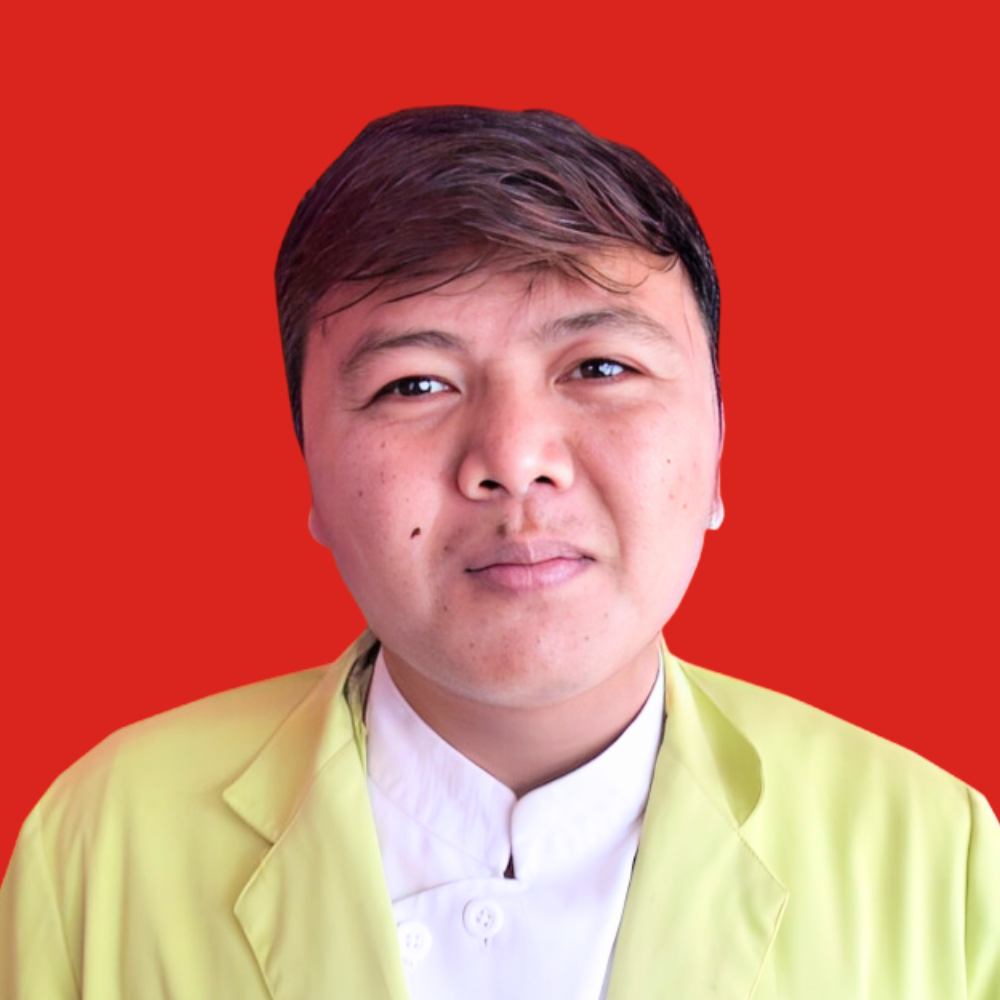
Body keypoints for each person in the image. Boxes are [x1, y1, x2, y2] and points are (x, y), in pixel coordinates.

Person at [1, 105, 997, 999]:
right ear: (308, 465)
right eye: (414, 384)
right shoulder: (104, 842)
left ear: (719, 452)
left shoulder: (935, 857)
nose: (515, 460)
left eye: (600, 366)